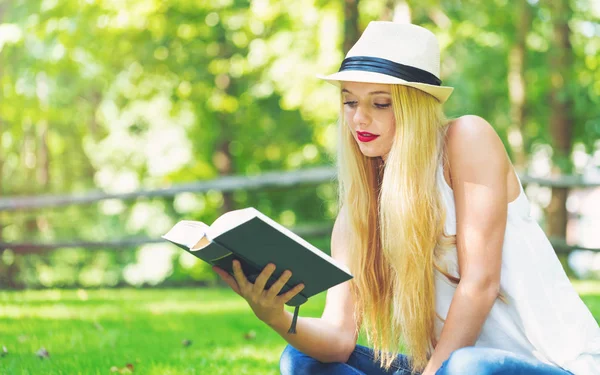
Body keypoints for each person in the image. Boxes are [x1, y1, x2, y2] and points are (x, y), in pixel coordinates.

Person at [213, 21, 600, 375]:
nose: (359, 119)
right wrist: (276, 316)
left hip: (547, 365)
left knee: (467, 366)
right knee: (299, 360)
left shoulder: (467, 139)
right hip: (441, 368)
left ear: (416, 106)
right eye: (350, 102)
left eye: (380, 103)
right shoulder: (360, 209)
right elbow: (337, 338)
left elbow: (480, 284)